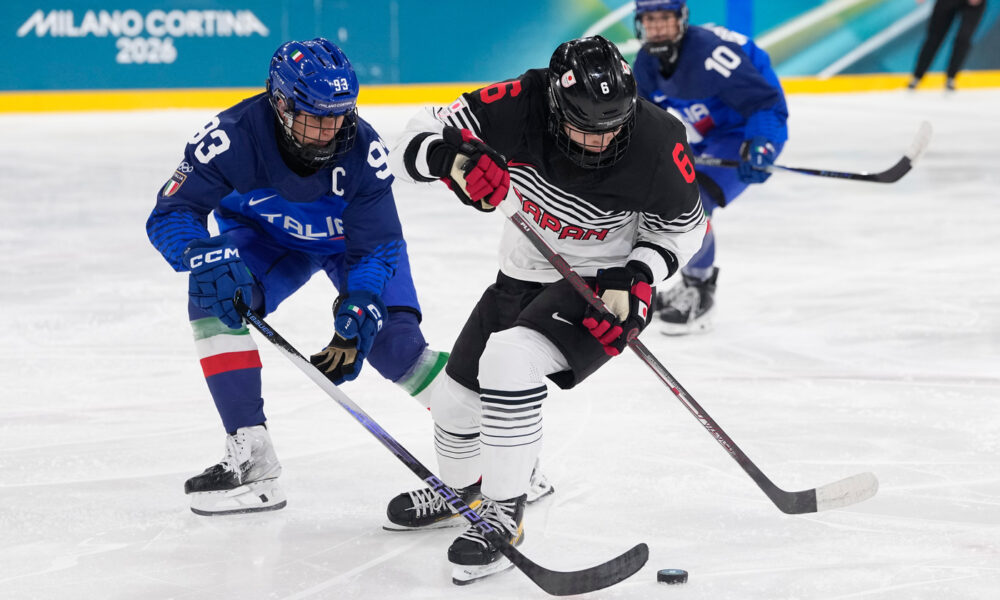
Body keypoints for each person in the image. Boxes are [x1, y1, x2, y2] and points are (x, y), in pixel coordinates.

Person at [383, 35, 705, 584]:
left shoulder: (657, 139)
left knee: (509, 359)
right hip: (520, 276)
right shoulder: (519, 102)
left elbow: (685, 228)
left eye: (611, 127)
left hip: (601, 289)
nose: (600, 141)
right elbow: (413, 138)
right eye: (585, 127)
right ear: (555, 105)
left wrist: (639, 275)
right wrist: (453, 160)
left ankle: (504, 512)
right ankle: (467, 492)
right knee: (457, 405)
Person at [145, 38, 449, 516]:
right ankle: (252, 456)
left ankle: (497, 444)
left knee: (395, 347)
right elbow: (171, 213)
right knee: (210, 297)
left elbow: (377, 245)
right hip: (265, 239)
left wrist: (362, 304)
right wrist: (200, 253)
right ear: (281, 103)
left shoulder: (364, 151)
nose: (331, 129)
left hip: (346, 246)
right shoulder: (231, 137)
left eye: (340, 114)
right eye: (316, 115)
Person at [632, 0, 789, 334]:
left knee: (695, 203)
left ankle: (701, 292)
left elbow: (765, 103)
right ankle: (690, 282)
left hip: (747, 131)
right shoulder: (648, 61)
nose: (657, 27)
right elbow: (637, 115)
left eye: (664, 18)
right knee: (658, 198)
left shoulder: (711, 53)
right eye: (649, 19)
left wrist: (763, 141)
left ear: (682, 19)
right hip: (709, 137)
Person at [908, 0, 987, 91]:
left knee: (963, 38)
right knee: (934, 38)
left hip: (973, 5)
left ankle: (951, 77)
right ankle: (917, 76)